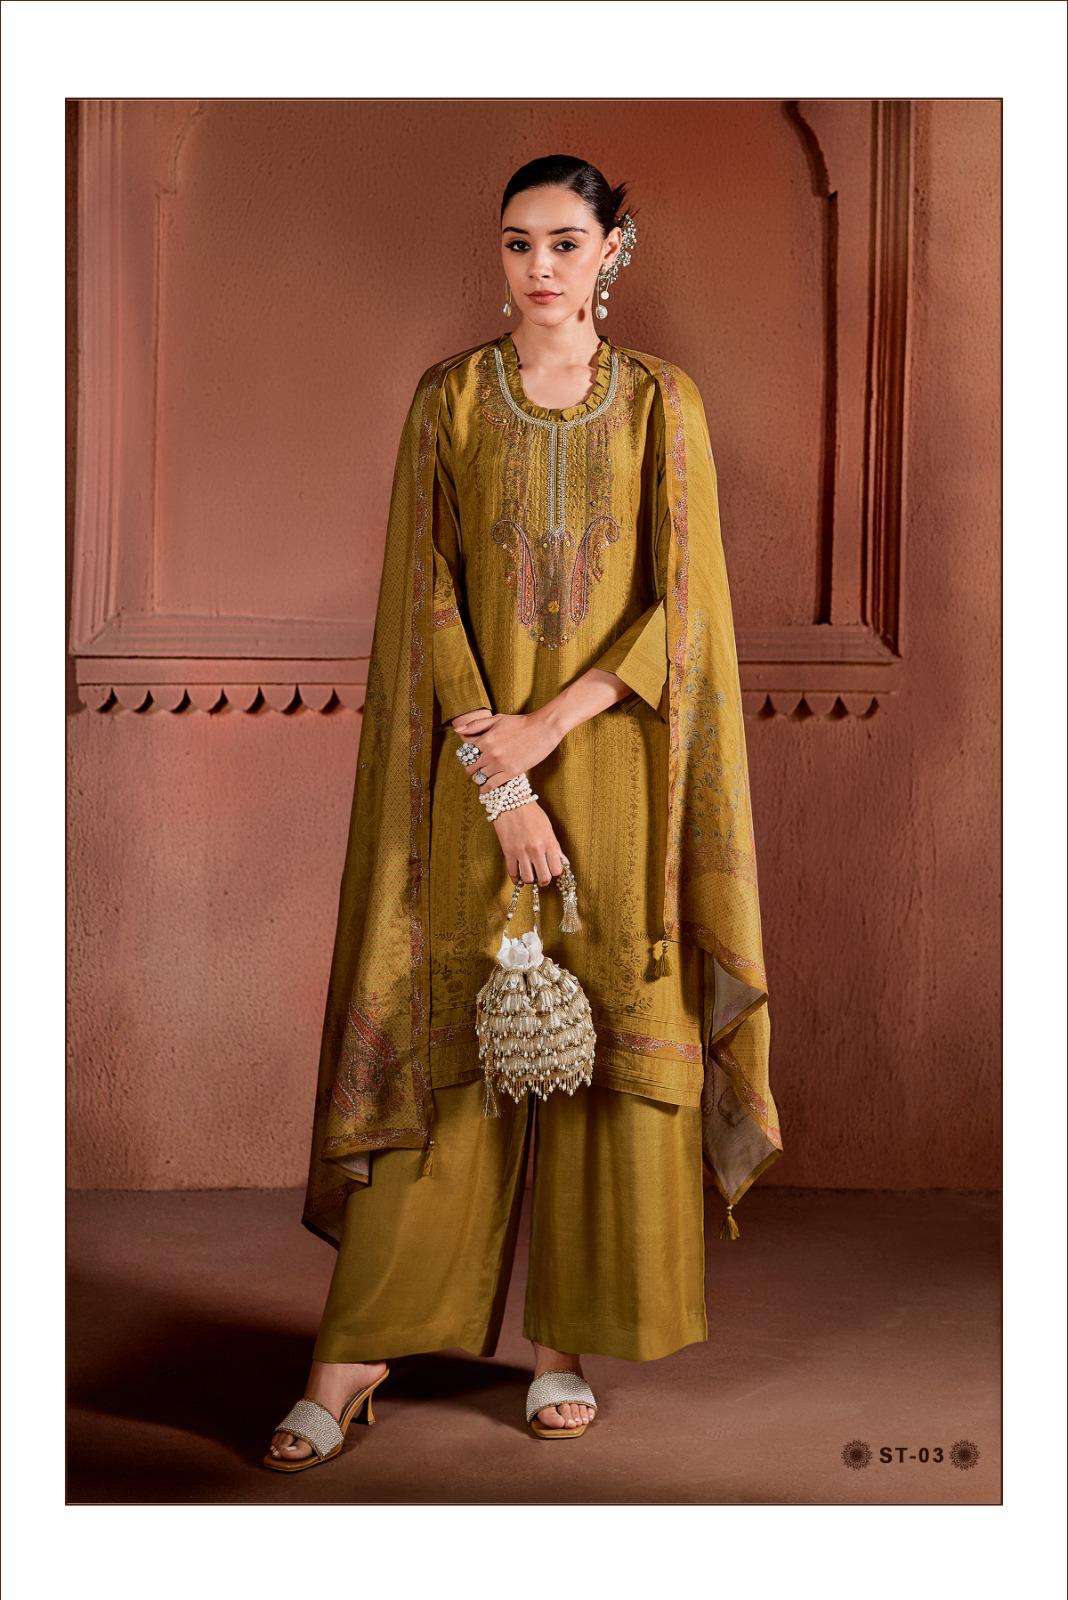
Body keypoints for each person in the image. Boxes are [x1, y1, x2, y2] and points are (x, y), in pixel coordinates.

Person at [265, 154, 782, 1471]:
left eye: (563, 240)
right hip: (469, 767)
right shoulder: (448, 399)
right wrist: (501, 780)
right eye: (516, 243)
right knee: (454, 1027)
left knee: (601, 1035)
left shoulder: (661, 401)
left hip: (619, 770)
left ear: (614, 248)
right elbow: (426, 601)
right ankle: (355, 1352)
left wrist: (552, 728)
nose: (539, 267)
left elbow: (686, 606)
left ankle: (561, 1343)